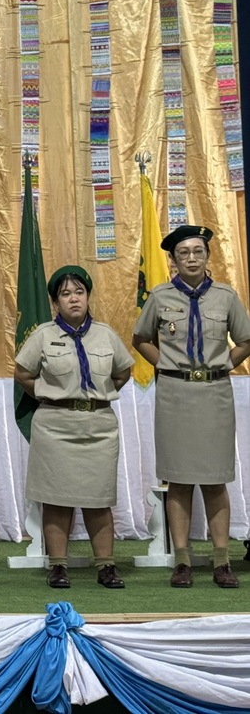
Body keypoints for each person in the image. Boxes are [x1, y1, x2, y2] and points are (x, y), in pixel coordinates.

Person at [132, 224, 250, 589]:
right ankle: (181, 560)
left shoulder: (225, 296)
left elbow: (245, 340)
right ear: (173, 260)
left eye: (198, 251)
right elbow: (140, 338)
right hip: (175, 396)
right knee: (179, 481)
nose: (192, 258)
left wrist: (224, 364)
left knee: (215, 480)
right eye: (184, 253)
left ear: (208, 256)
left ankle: (221, 560)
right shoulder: (160, 296)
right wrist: (166, 365)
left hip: (214, 395)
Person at [14, 265, 134, 589]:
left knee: (99, 498)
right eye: (65, 294)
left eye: (79, 292)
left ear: (88, 296)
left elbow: (123, 372)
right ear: (56, 303)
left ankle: (106, 567)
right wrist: (48, 394)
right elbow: (23, 373)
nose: (74, 299)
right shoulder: (43, 335)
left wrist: (97, 396)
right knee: (57, 499)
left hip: (98, 427)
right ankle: (58, 566)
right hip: (55, 426)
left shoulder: (106, 334)